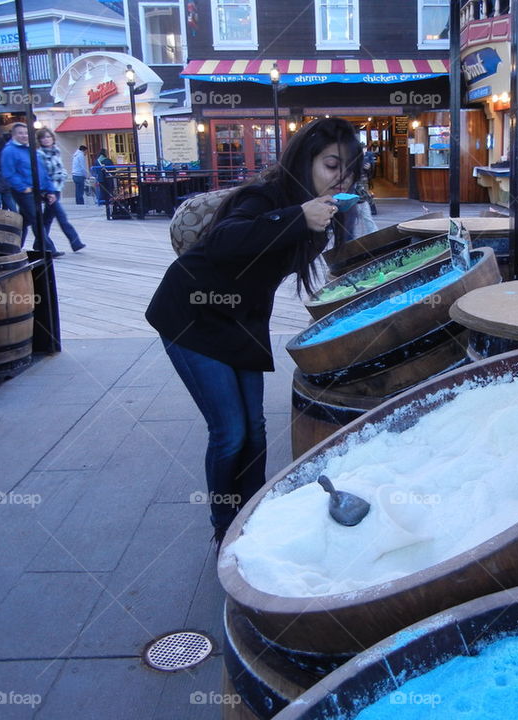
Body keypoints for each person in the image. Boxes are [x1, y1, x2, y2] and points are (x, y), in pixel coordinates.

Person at [146, 117, 362, 549]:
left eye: (350, 169)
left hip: (242, 320)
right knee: (230, 431)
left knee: (257, 429)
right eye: (331, 165)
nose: (340, 178)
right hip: (190, 313)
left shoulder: (325, 212)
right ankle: (225, 524)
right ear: (305, 162)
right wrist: (297, 216)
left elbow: (339, 259)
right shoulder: (265, 197)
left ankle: (255, 511)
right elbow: (226, 239)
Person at [0, 122, 63, 257]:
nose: (24, 136)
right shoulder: (9, 151)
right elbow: (8, 173)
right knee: (36, 219)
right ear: (14, 135)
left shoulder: (30, 149)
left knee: (24, 221)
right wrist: (23, 188)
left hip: (36, 189)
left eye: (26, 133)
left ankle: (14, 247)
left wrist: (50, 190)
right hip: (23, 191)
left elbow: (41, 171)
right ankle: (48, 250)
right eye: (20, 133)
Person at [36, 128, 85, 252]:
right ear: (39, 140)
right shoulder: (40, 154)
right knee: (61, 216)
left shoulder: (56, 151)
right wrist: (47, 191)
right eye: (43, 137)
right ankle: (75, 242)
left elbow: (60, 168)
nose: (46, 139)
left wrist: (63, 175)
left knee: (47, 219)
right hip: (49, 190)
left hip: (57, 188)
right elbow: (43, 173)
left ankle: (39, 245)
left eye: (48, 137)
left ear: (52, 138)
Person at [0, 132, 16, 212]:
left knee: (7, 199)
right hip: (9, 179)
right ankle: (5, 216)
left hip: (0, 180)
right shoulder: (8, 151)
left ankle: (17, 216)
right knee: (7, 199)